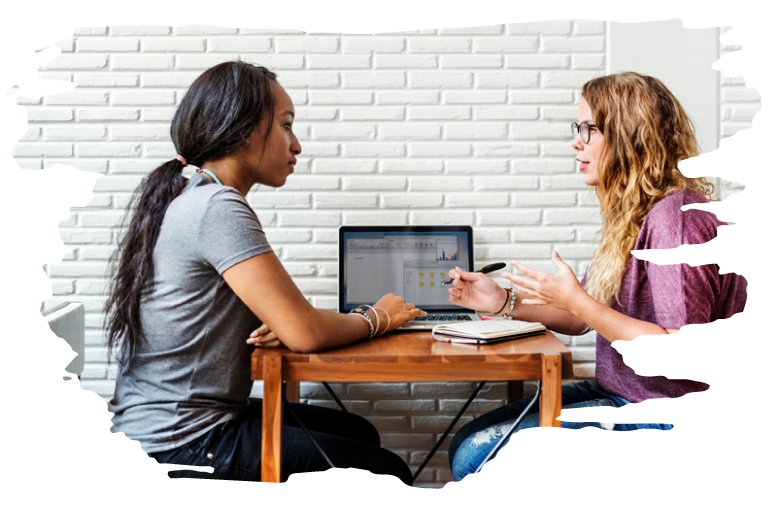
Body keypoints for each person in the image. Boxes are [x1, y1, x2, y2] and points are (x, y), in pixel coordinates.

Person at [106, 61, 426, 484]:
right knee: (383, 471)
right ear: (246, 129)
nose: (296, 145)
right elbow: (306, 332)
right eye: (286, 126)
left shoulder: (188, 194)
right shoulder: (217, 207)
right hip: (182, 435)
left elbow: (256, 317)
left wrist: (278, 321)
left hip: (167, 419)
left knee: (358, 431)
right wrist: (378, 317)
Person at [445, 72, 748, 481]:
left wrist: (578, 300)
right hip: (621, 392)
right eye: (578, 128)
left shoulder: (675, 220)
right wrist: (502, 302)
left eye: (589, 129)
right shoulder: (632, 218)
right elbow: (583, 318)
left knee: (476, 457)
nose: (576, 141)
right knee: (469, 437)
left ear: (629, 137)